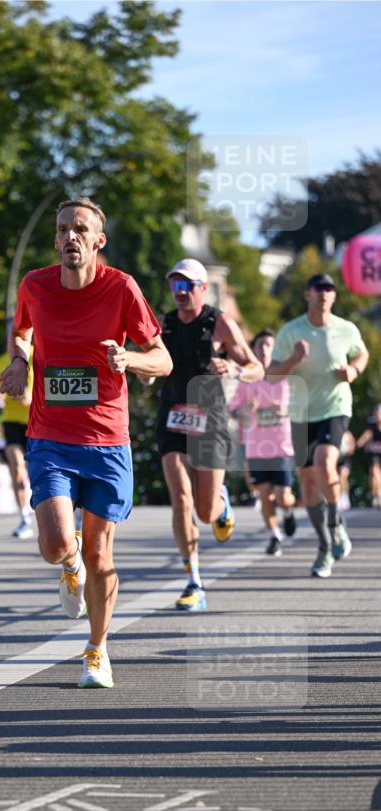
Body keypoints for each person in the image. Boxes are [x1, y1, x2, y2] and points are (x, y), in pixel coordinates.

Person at [0, 196, 172, 689]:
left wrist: (130, 362)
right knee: (56, 543)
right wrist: (19, 363)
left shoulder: (121, 288)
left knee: (102, 554)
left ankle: (96, 649)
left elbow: (163, 359)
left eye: (80, 229)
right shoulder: (35, 285)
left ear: (99, 241)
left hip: (107, 440)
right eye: (62, 229)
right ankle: (67, 564)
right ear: (55, 239)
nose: (70, 237)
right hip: (51, 435)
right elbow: (22, 333)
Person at [143, 259, 263, 611]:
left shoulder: (220, 323)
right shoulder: (162, 324)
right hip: (173, 416)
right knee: (181, 499)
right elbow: (148, 370)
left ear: (203, 288)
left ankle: (221, 502)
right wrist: (143, 373)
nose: (180, 293)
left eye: (187, 286)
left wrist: (236, 368)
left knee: (207, 512)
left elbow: (258, 368)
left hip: (209, 418)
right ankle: (193, 579)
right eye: (175, 286)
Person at [268, 273, 369, 578]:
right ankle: (325, 547)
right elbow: (272, 373)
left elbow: (362, 354)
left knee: (326, 464)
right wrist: (294, 359)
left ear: (334, 296)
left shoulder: (346, 329)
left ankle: (336, 521)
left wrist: (353, 369)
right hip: (300, 413)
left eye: (329, 289)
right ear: (307, 295)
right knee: (308, 482)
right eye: (318, 288)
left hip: (335, 407)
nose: (324, 293)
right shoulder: (291, 331)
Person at [229, 329, 296, 557]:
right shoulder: (247, 381)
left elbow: (300, 405)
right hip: (256, 446)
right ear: (254, 350)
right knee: (265, 494)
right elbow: (233, 408)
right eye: (260, 345)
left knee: (282, 496)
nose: (264, 349)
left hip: (281, 446)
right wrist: (244, 410)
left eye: (269, 345)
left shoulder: (284, 377)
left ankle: (287, 513)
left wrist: (286, 409)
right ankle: (274, 536)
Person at [0, 345, 34, 539]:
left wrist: (26, 396)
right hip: (10, 421)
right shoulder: (2, 359)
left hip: (35, 420)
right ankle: (25, 518)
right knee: (16, 465)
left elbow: (31, 396)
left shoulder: (37, 353)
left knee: (37, 472)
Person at [356, 403, 381, 508]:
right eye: (376, 413)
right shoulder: (371, 423)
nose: (377, 415)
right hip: (374, 453)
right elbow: (367, 434)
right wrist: (359, 443)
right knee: (374, 473)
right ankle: (378, 496)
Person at [337, 429, 356, 512]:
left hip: (345, 459)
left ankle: (344, 497)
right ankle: (337, 498)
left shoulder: (347, 434)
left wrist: (347, 450)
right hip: (335, 460)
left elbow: (352, 448)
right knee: (335, 480)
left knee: (343, 476)